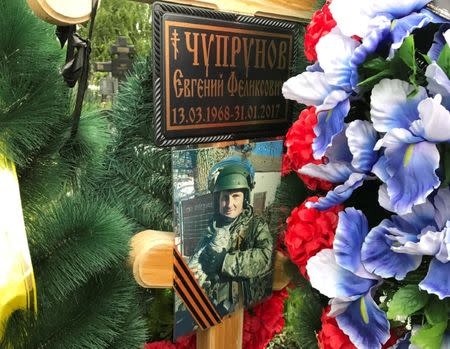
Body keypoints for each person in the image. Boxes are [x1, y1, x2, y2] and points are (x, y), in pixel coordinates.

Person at [188, 161, 274, 316]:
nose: (229, 204)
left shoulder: (256, 226)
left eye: (235, 196)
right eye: (225, 197)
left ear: (244, 198)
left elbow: (265, 258)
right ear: (218, 200)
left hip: (245, 307)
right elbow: (197, 262)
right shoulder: (211, 228)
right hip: (213, 305)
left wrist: (224, 261)